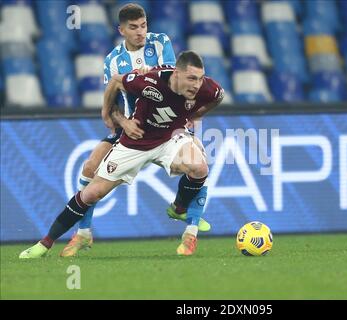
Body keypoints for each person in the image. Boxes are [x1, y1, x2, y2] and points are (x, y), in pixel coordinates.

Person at [19, 50, 224, 259]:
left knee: (199, 166)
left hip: (170, 139)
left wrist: (195, 115)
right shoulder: (150, 82)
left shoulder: (206, 88)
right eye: (191, 78)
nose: (197, 85)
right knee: (91, 193)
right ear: (176, 74)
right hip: (136, 141)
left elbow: (218, 96)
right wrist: (110, 114)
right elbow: (116, 81)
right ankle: (45, 244)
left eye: (199, 78)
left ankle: (179, 208)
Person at [61, 3, 211, 257]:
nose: (141, 32)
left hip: (167, 123)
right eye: (133, 28)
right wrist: (123, 122)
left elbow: (173, 79)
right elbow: (114, 103)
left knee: (198, 160)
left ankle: (190, 231)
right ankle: (83, 234)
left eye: (143, 25)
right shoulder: (113, 60)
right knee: (90, 166)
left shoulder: (160, 42)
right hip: (134, 126)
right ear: (121, 30)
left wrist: (149, 73)